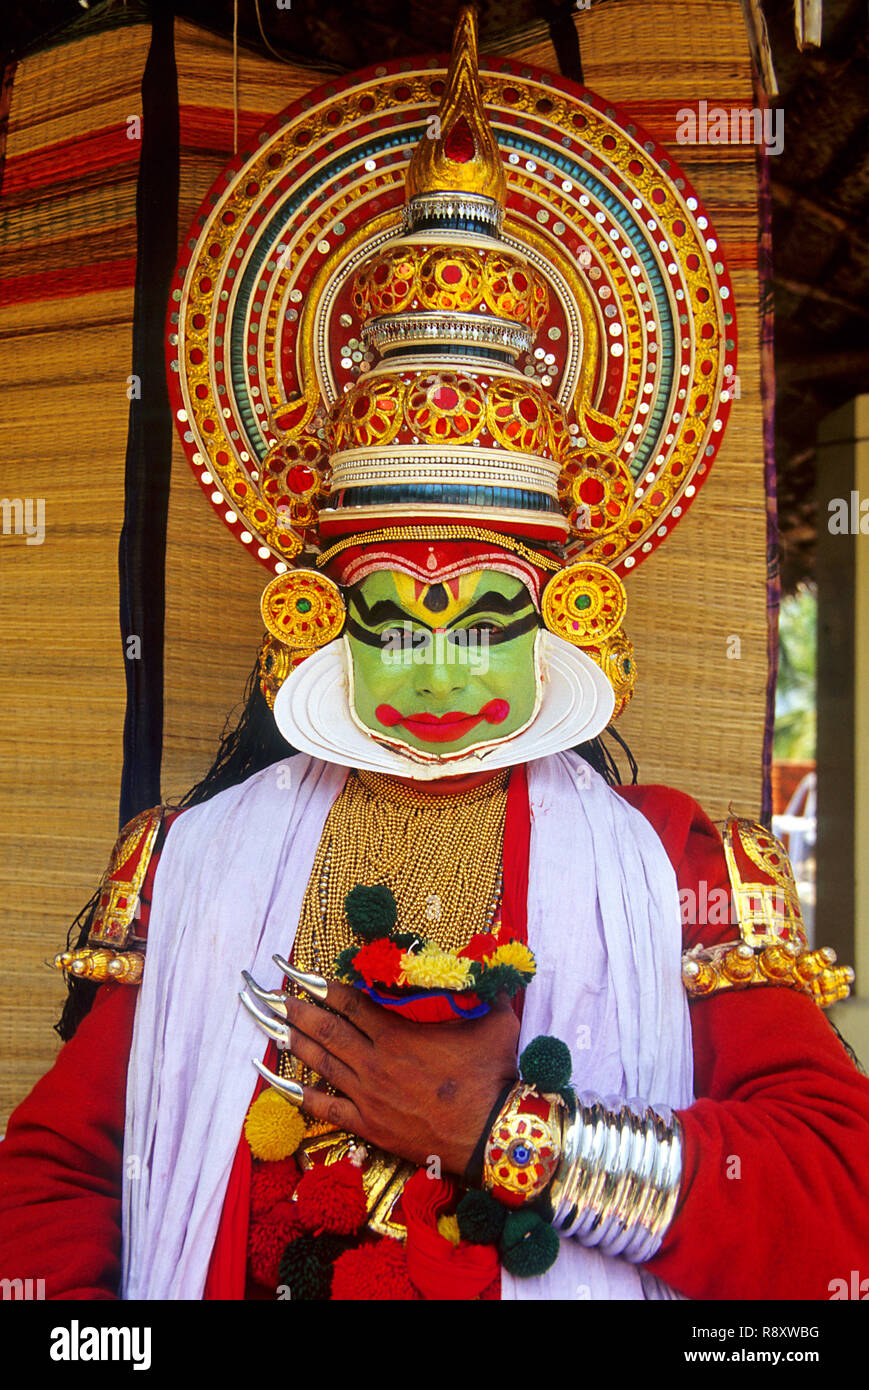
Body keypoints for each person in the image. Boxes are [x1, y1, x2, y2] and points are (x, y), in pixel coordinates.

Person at [0, 9, 866, 1302]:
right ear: (316, 614)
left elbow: (832, 1198)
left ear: (566, 609)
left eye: (488, 617)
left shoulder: (686, 860)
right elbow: (57, 1171)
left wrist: (502, 1133)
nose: (442, 673)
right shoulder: (186, 862)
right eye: (394, 614)